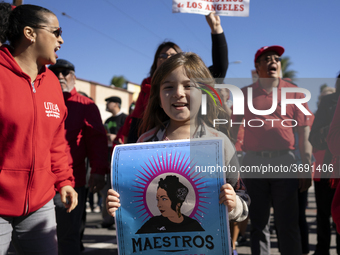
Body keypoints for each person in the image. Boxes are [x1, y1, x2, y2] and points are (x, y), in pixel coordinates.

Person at [107, 52, 250, 236]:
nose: (178, 93)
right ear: (158, 97)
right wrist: (119, 204)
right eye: (168, 87)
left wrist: (234, 204)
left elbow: (243, 198)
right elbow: (134, 200)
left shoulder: (220, 144)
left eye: (188, 86)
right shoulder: (144, 143)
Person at [0, 4, 77, 255]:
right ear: (30, 33)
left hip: (40, 205)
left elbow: (56, 142)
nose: (61, 39)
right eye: (56, 32)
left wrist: (65, 181)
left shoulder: (53, 82)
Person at [231, 45, 312, 255]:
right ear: (257, 67)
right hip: (253, 164)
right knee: (259, 225)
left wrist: (306, 167)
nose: (273, 62)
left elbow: (304, 134)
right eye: (267, 58)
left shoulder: (294, 92)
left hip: (285, 162)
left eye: (276, 58)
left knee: (288, 224)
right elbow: (231, 132)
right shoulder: (244, 94)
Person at [127, 11, 228, 143]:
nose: (178, 93)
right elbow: (136, 122)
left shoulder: (217, 141)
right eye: (163, 56)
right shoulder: (146, 87)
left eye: (188, 86)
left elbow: (219, 69)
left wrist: (216, 30)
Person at [48, 59, 109, 255]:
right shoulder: (42, 99)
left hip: (71, 182)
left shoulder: (86, 105)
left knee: (67, 235)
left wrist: (99, 172)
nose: (59, 76)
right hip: (39, 181)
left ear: (73, 77)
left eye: (64, 73)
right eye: (55, 72)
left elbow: (97, 141)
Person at [309, 73, 340, 255]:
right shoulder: (329, 102)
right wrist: (332, 131)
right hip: (326, 169)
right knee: (323, 214)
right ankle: (322, 250)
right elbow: (313, 138)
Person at [136, 175, 204, 234]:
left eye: (164, 199)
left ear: (178, 202)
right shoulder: (153, 223)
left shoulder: (193, 225)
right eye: (158, 199)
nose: (158, 205)